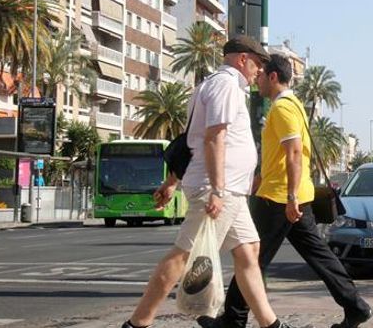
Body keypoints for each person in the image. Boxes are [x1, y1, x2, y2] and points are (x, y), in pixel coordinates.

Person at [122, 36, 296, 328]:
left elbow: (193, 139)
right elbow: (214, 137)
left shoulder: (216, 85)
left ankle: (272, 325)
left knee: (249, 250)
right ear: (243, 59)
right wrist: (216, 189)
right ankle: (138, 323)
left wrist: (173, 181)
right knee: (183, 255)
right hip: (219, 189)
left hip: (230, 191)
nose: (259, 71)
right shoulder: (225, 85)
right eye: (258, 63)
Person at [201, 54, 372, 328]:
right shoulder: (293, 105)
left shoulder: (282, 109)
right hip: (288, 195)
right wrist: (259, 179)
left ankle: (233, 320)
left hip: (280, 198)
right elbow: (282, 156)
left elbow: (293, 153)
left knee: (250, 257)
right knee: (320, 257)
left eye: (260, 76)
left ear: (272, 77)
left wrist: (290, 197)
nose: (256, 80)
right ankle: (356, 306)